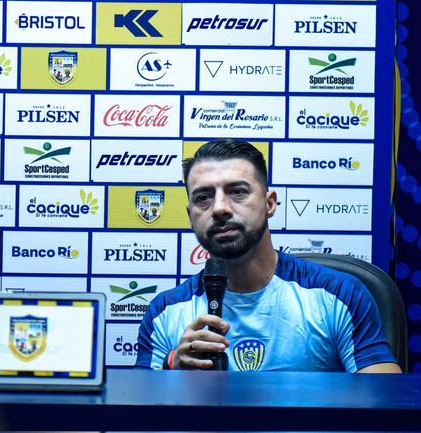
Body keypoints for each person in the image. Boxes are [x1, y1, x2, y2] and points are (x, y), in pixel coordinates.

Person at [135, 139, 400, 373]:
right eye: (203, 198)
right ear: (190, 216)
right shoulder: (164, 311)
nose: (219, 208)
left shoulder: (338, 294)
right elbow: (139, 420)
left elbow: (386, 405)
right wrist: (171, 373)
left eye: (237, 191)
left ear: (270, 203)